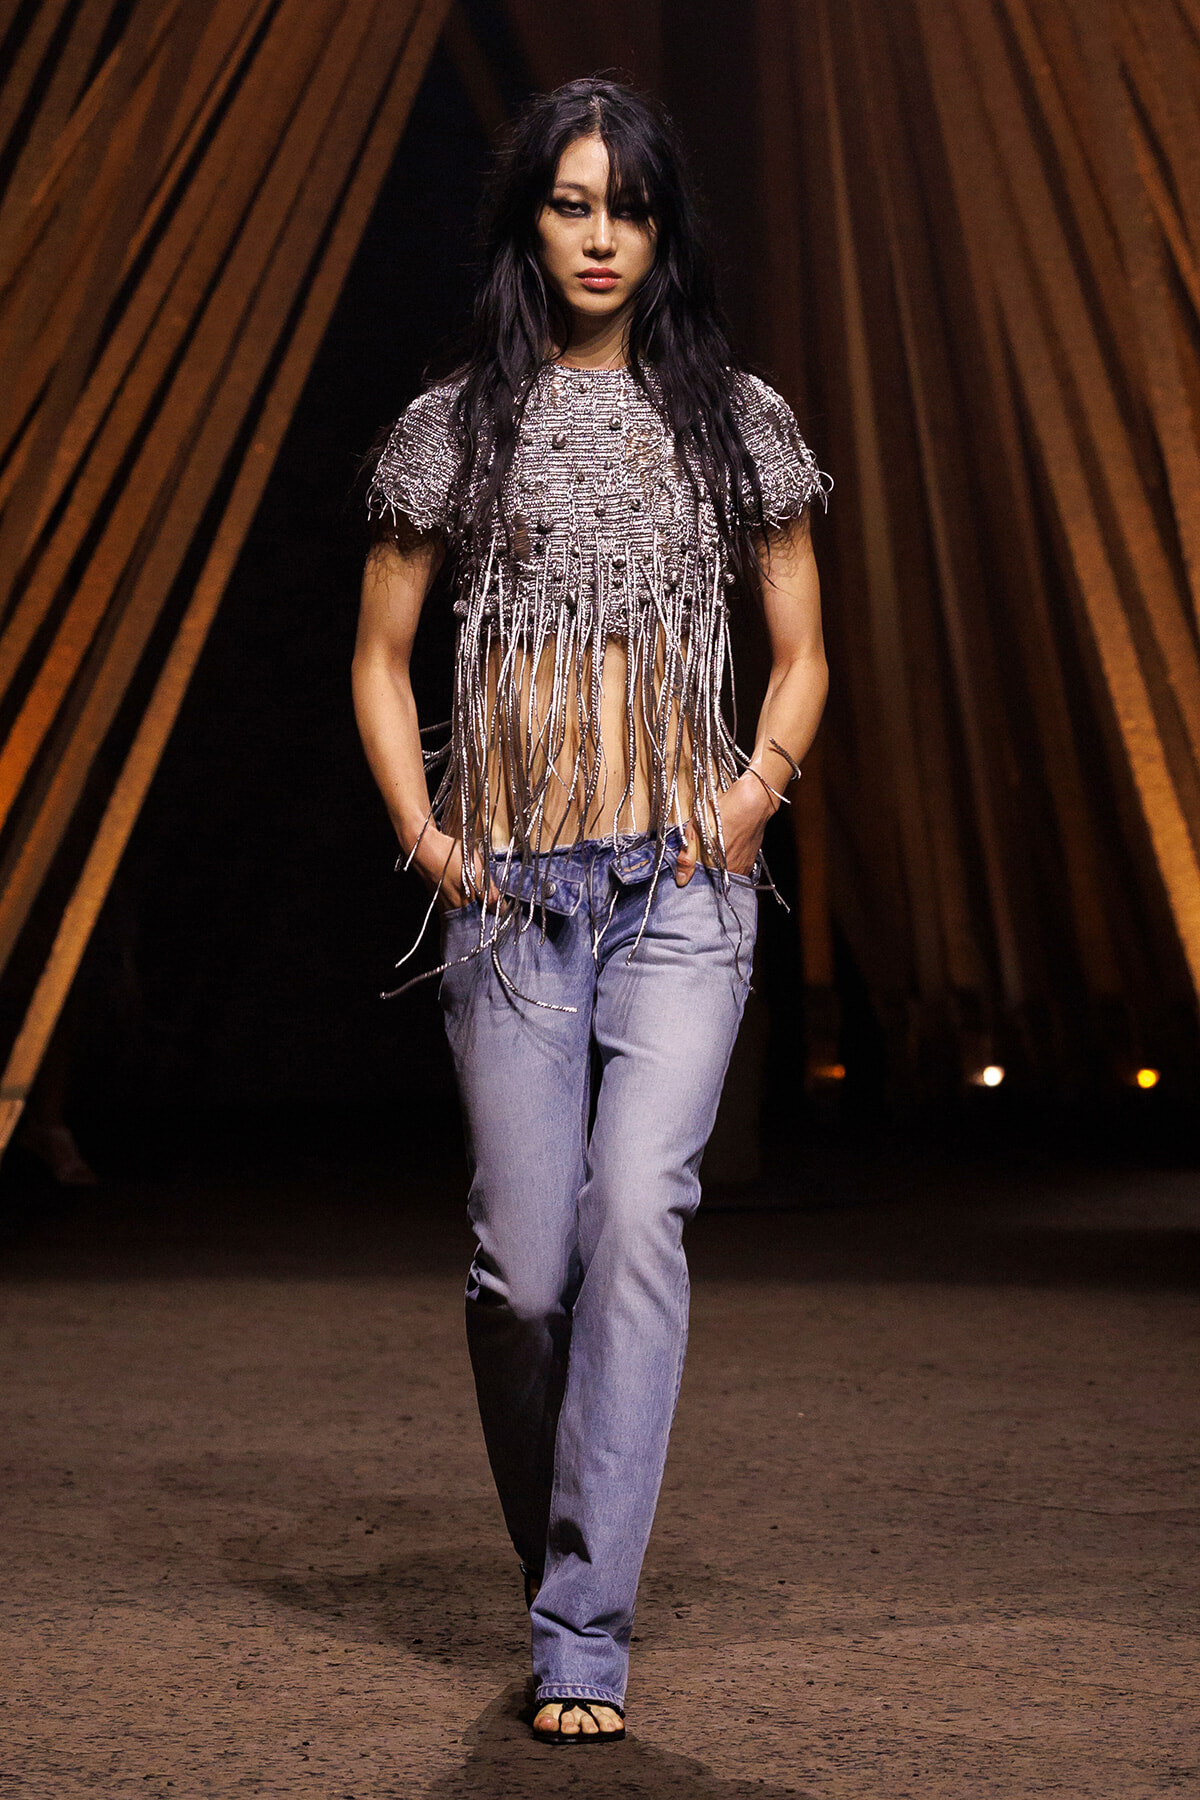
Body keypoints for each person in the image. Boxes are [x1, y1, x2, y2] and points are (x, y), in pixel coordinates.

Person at [352, 77, 830, 1745]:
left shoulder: (738, 422)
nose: (602, 234)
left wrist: (752, 795)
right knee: (522, 1280)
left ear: (663, 223)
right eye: (570, 203)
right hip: (511, 895)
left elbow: (803, 654)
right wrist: (428, 837)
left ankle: (581, 1630)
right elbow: (380, 657)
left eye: (626, 204)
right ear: (531, 222)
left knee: (637, 1216)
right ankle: (566, 1544)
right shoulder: (456, 427)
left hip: (684, 890)